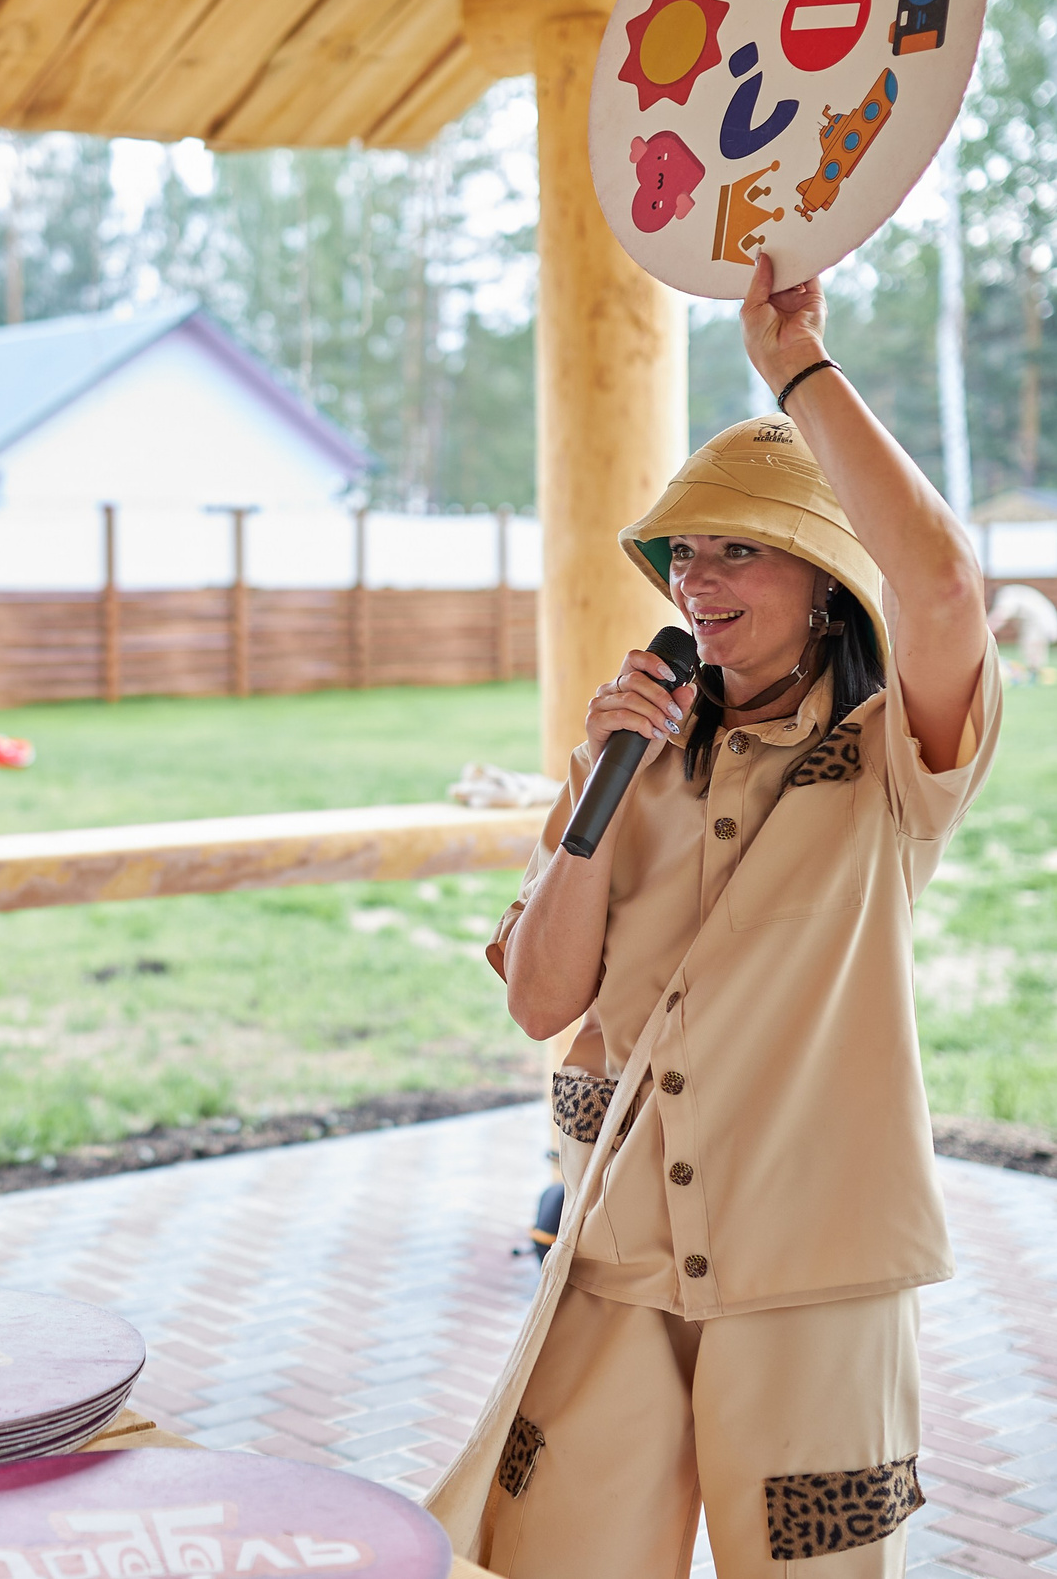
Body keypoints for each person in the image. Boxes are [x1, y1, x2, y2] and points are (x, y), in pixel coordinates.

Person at [428, 253, 998, 1578]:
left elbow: (944, 595)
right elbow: (536, 998)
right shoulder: (627, 747)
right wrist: (592, 786)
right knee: (551, 1556)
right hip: (616, 1244)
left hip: (812, 1272)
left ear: (821, 581)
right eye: (684, 551)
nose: (694, 578)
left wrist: (797, 371)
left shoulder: (886, 764)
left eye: (738, 548)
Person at [986, 581, 1057, 672]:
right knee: (1031, 647)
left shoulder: (1006, 595)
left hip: (1038, 622)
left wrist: (986, 629)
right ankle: (1033, 671)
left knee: (1033, 647)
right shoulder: (1012, 592)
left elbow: (1000, 617)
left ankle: (1034, 672)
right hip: (1035, 621)